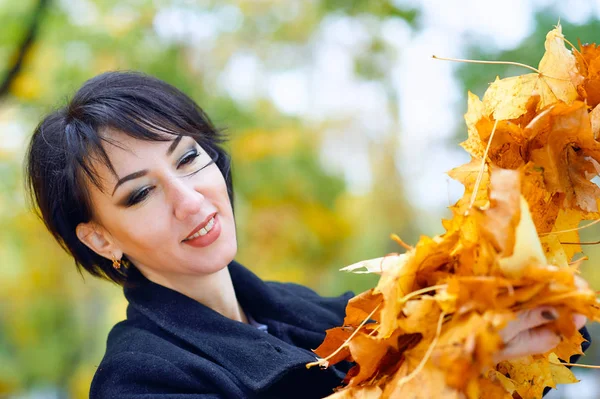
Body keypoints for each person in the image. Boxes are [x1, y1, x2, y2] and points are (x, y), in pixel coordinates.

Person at [25, 71, 589, 398]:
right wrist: (449, 364)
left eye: (189, 159)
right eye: (140, 193)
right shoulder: (139, 379)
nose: (189, 199)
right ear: (101, 239)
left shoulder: (312, 312)